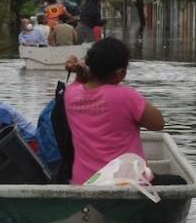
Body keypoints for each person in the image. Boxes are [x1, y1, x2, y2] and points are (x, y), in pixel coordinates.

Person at [63, 37, 165, 185]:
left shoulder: (70, 94)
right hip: (128, 183)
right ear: (121, 73)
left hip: (85, 183)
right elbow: (158, 123)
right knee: (178, 181)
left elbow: (82, 81)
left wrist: (81, 69)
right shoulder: (127, 96)